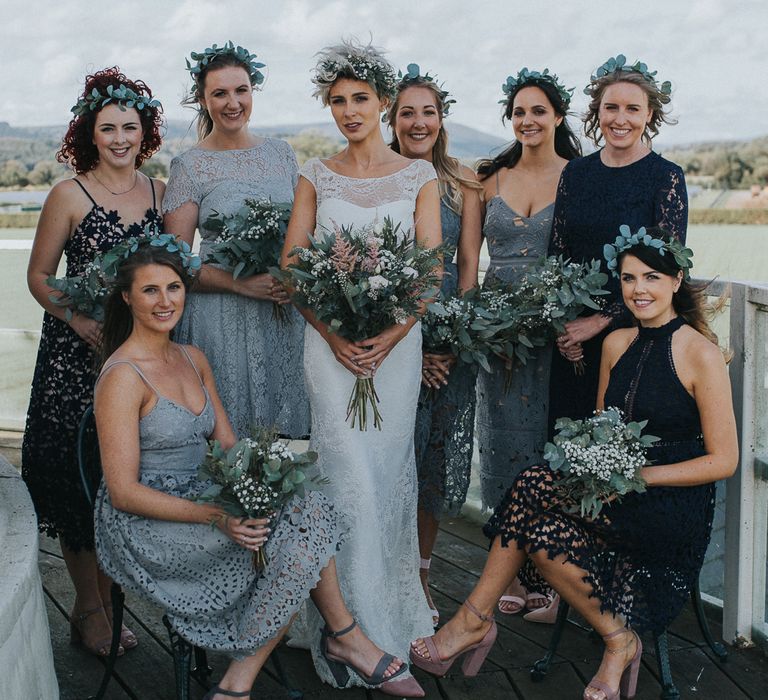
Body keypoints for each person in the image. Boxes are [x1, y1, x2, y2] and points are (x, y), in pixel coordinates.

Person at [410, 227, 738, 700]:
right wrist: (592, 471)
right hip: (610, 490)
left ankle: (473, 622)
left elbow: (723, 460)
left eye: (651, 277)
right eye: (628, 279)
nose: (638, 290)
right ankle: (618, 639)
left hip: (670, 503)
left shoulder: (701, 353)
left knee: (530, 492)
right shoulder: (615, 343)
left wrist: (640, 476)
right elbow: (602, 430)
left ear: (675, 279)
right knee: (535, 508)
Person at [93, 238, 415, 700]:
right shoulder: (122, 375)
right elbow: (123, 492)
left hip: (206, 492)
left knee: (305, 506)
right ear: (127, 297)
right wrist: (219, 517)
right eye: (150, 291)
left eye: (174, 287)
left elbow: (229, 450)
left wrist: (271, 482)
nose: (166, 301)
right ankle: (339, 638)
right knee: (290, 531)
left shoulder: (192, 358)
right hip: (149, 520)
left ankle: (247, 678)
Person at [281, 39, 442, 697]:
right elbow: (294, 264)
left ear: (382, 104)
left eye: (360, 99)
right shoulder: (315, 174)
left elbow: (431, 269)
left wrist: (390, 336)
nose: (349, 111)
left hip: (396, 352)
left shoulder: (418, 177)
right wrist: (334, 331)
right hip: (328, 347)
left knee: (383, 476)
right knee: (342, 473)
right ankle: (350, 630)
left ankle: (383, 619)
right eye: (338, 100)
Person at [22, 66, 164, 657]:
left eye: (130, 126)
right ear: (90, 134)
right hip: (76, 361)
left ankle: (106, 601)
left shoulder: (159, 191)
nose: (120, 138)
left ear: (145, 130)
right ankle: (89, 609)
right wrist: (81, 322)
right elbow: (38, 277)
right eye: (108, 128)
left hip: (141, 362)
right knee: (79, 481)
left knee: (118, 480)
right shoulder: (68, 194)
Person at [474, 68, 581, 617]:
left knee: (549, 444)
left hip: (557, 330)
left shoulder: (580, 176)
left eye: (538, 110)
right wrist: (467, 322)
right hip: (498, 331)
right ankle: (509, 573)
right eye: (519, 111)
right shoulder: (489, 177)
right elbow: (469, 261)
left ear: (558, 117)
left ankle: (550, 577)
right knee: (503, 444)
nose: (528, 120)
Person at [163, 41, 308, 439]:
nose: (233, 102)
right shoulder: (189, 166)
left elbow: (302, 235)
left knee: (285, 438)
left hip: (282, 315)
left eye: (241, 90)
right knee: (228, 438)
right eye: (220, 93)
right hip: (219, 318)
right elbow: (172, 262)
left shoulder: (282, 154)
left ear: (252, 91)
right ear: (203, 99)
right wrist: (241, 283)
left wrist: (293, 275)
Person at [387, 65, 483, 626]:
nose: (418, 122)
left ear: (441, 120)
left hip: (447, 334)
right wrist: (408, 344)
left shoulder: (464, 184)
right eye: (407, 112)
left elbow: (467, 267)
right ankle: (382, 571)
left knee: (432, 459)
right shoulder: (377, 177)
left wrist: (448, 342)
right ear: (391, 120)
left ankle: (421, 578)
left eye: (428, 111)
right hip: (390, 334)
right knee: (391, 454)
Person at [548, 54, 688, 429]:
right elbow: (556, 258)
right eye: (611, 107)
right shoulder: (574, 174)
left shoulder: (665, 177)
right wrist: (564, 328)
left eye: (632, 108)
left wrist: (599, 321)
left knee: (617, 445)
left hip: (634, 336)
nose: (620, 118)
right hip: (571, 344)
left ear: (649, 116)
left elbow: (665, 269)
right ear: (597, 113)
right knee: (566, 443)